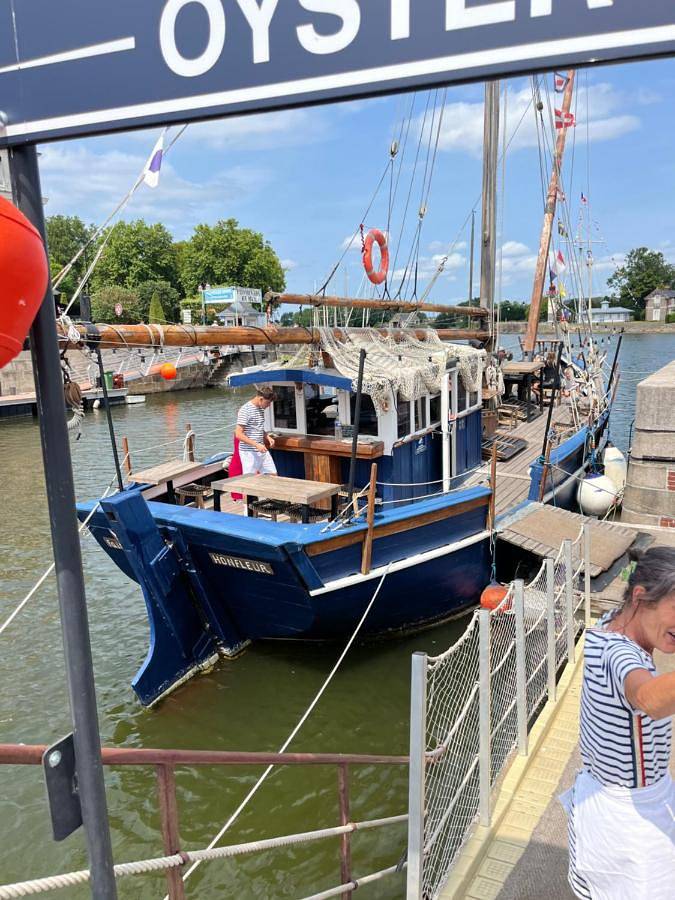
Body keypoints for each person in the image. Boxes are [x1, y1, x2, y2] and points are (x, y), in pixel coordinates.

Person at [562, 547, 675, 899]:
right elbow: (647, 699)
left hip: (600, 800)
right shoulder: (621, 654)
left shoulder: (608, 625)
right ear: (640, 598)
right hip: (631, 819)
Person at [235, 387, 278, 476]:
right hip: (249, 452)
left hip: (261, 449)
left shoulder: (261, 409)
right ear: (261, 399)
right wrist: (256, 445)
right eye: (268, 402)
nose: (269, 405)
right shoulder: (245, 410)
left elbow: (258, 428)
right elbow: (238, 434)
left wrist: (267, 437)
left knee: (273, 475)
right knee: (250, 480)